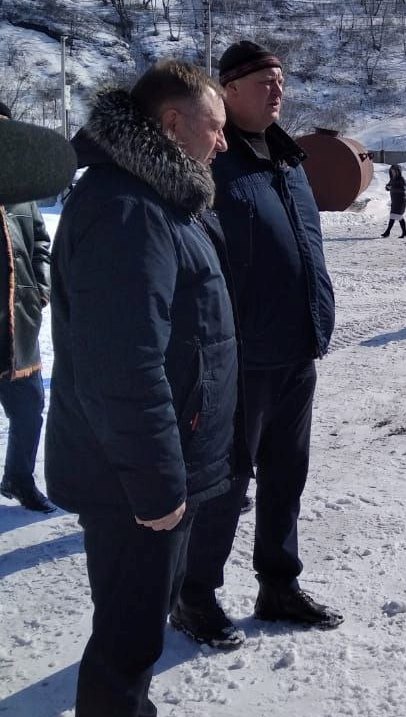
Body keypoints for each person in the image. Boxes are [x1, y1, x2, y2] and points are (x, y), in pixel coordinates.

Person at [45, 60, 235, 717]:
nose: (223, 143)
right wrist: (156, 482)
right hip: (132, 479)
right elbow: (121, 362)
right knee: (125, 644)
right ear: (172, 122)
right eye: (214, 127)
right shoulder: (126, 207)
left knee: (139, 630)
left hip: (153, 467)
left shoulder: (159, 200)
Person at [172, 40, 342, 651]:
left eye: (281, 80)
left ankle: (278, 585)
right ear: (229, 90)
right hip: (237, 358)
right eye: (263, 80)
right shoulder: (210, 163)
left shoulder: (290, 160)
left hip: (298, 348)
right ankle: (194, 598)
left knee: (285, 477)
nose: (277, 89)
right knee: (223, 484)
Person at [0, 102, 55, 513]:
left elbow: (40, 241)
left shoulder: (22, 188)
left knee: (30, 410)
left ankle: (18, 478)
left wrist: (41, 288)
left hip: (18, 326)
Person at [382, 164, 406, 238]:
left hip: (401, 200)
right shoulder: (392, 179)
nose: (393, 173)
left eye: (394, 171)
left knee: (395, 216)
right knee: (398, 216)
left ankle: (388, 232)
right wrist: (387, 187)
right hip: (394, 200)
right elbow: (388, 187)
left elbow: (403, 189)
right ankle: (404, 232)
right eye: (392, 171)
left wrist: (392, 188)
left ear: (398, 171)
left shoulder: (401, 179)